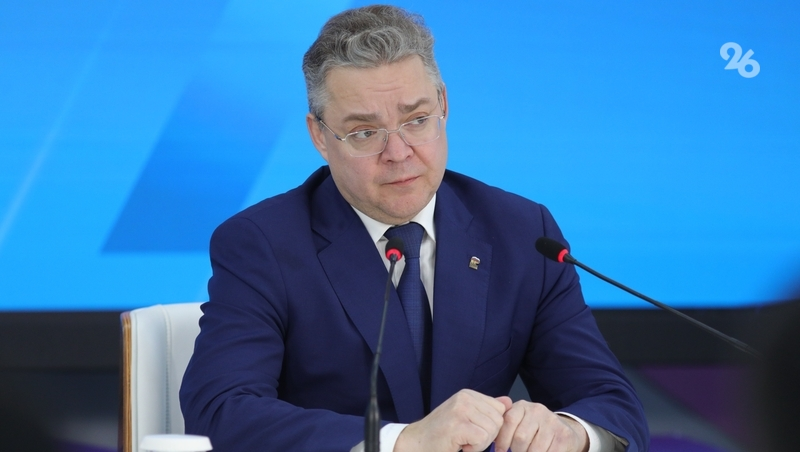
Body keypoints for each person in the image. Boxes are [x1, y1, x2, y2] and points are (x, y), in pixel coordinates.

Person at [180, 5, 648, 452]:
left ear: (443, 105)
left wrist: (569, 433)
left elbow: (611, 404)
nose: (399, 152)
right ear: (320, 135)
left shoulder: (522, 233)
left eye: (417, 120)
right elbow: (220, 411)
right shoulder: (262, 244)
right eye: (365, 132)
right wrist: (402, 443)